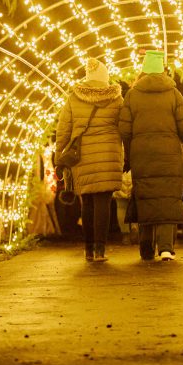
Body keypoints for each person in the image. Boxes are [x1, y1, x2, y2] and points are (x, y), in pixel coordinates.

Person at [119, 50, 183, 261]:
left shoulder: (132, 95)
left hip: (141, 154)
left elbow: (124, 128)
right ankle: (166, 248)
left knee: (145, 197)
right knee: (168, 198)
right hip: (170, 155)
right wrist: (174, 139)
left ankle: (146, 248)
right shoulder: (174, 94)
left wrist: (130, 152)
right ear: (162, 69)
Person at [55, 58, 123, 262]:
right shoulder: (117, 99)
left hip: (82, 155)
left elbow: (63, 129)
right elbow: (124, 127)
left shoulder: (74, 98)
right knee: (103, 202)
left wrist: (60, 157)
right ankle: (101, 249)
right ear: (105, 78)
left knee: (87, 202)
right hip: (108, 155)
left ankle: (88, 250)